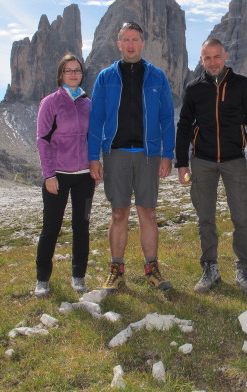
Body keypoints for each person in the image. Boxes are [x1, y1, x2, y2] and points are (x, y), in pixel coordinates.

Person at [88, 21, 175, 292]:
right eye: (125, 40)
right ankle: (116, 270)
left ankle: (152, 268)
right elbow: (96, 119)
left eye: (135, 39)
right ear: (118, 44)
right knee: (118, 214)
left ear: (142, 42)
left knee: (147, 213)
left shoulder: (157, 76)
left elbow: (166, 119)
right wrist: (94, 157)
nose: (130, 44)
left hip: (149, 155)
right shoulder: (106, 77)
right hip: (116, 153)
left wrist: (167, 155)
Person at [176, 38, 247, 295]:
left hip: (234, 159)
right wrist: (182, 163)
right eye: (207, 58)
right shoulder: (194, 88)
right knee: (205, 218)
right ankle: (210, 268)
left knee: (242, 216)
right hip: (201, 161)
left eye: (216, 57)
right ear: (201, 59)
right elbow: (183, 125)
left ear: (225, 56)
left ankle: (244, 269)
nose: (212, 62)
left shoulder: (242, 85)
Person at [34, 54, 96, 298]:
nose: (73, 74)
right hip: (57, 175)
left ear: (82, 74)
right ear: (61, 75)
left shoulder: (88, 103)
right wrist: (49, 175)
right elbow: (42, 140)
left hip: (84, 176)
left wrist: (95, 165)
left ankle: (79, 276)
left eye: (77, 70)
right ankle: (42, 278)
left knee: (82, 225)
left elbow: (93, 138)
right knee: (51, 227)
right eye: (68, 70)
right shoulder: (50, 102)